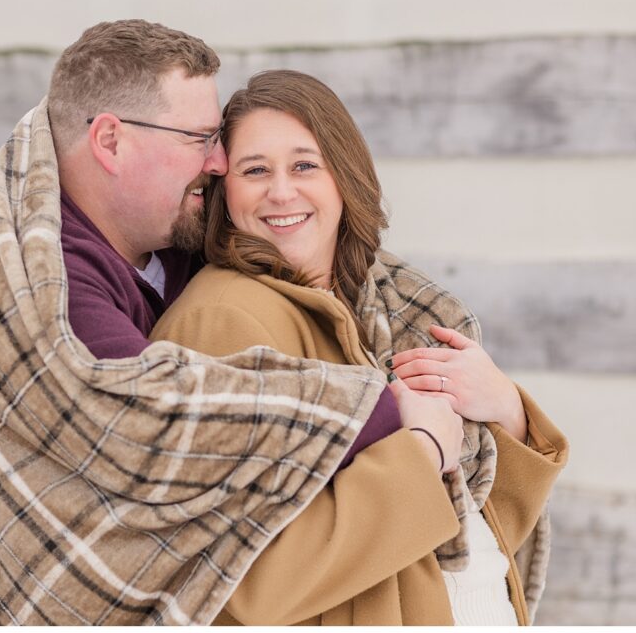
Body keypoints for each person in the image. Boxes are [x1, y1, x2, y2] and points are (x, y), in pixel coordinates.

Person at [0, 21, 442, 626]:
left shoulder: (171, 230)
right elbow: (150, 418)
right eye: (199, 137)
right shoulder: (38, 279)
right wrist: (390, 414)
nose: (220, 161)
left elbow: (330, 264)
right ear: (110, 141)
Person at [150, 69, 569, 625]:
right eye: (255, 171)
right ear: (225, 195)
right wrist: (420, 452)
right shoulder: (224, 319)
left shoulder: (385, 308)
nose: (281, 190)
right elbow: (242, 584)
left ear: (344, 177)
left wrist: (507, 411)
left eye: (304, 165)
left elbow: (464, 535)